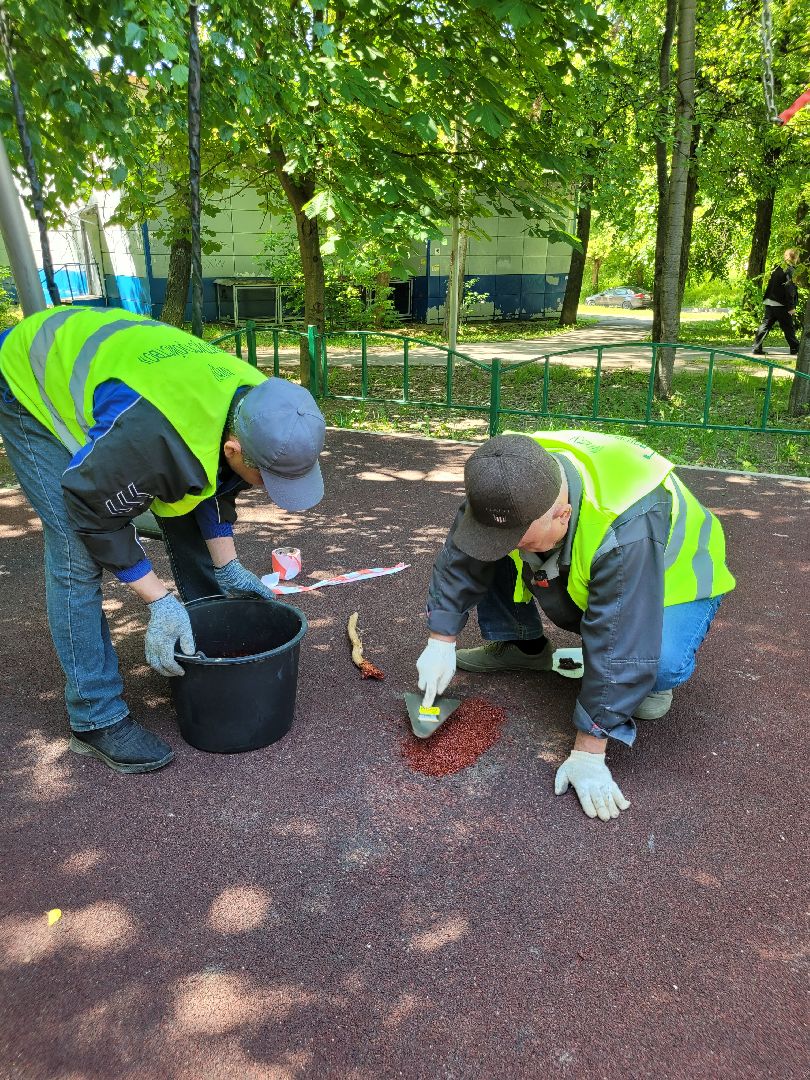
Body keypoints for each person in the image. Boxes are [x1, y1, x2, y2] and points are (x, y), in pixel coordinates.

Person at [0, 306, 325, 774]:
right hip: (30, 374)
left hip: (129, 380)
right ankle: (96, 717)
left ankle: (204, 634)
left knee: (184, 503)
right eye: (265, 477)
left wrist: (228, 565)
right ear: (236, 448)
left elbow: (212, 478)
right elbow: (90, 510)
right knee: (74, 554)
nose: (267, 490)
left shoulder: (259, 400)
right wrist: (158, 600)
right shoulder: (150, 436)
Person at [416, 430, 735, 822]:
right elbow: (463, 557)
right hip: (592, 555)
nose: (515, 548)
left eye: (523, 540)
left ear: (562, 514)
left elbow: (622, 635)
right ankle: (522, 644)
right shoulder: (504, 478)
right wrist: (440, 638)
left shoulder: (624, 526)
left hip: (671, 576)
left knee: (658, 664)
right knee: (490, 546)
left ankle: (652, 682)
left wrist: (589, 749)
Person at [752, 249, 800, 356]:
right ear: (795, 257)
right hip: (781, 303)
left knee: (765, 325)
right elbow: (789, 289)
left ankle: (756, 347)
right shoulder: (790, 270)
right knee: (788, 326)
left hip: (770, 301)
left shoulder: (777, 267)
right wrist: (791, 307)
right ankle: (795, 348)